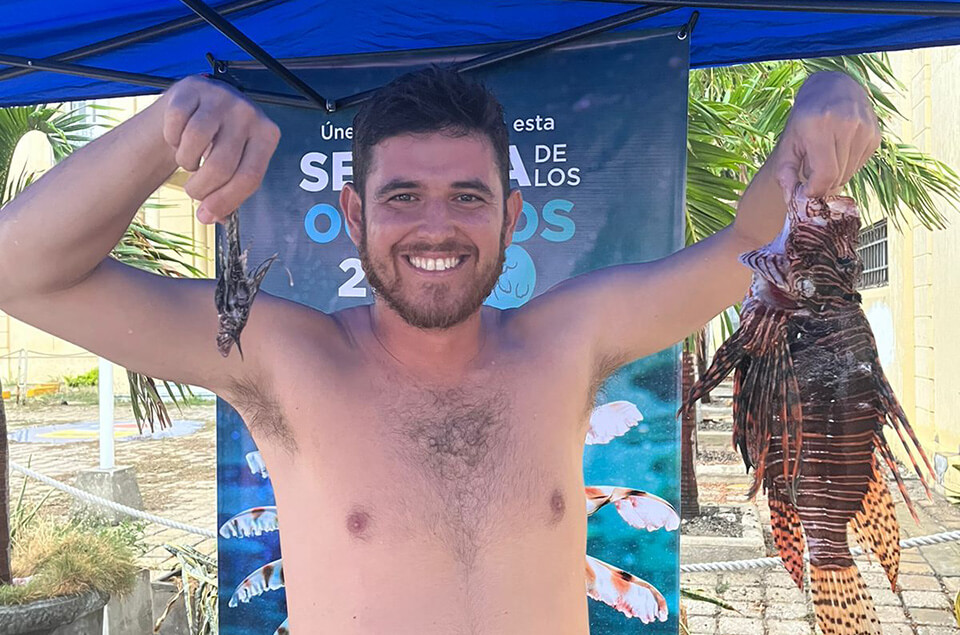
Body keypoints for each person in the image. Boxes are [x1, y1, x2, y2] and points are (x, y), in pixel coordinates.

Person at [0, 67, 879, 633]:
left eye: (467, 196)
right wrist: (166, 128)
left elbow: (755, 241)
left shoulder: (570, 340)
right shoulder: (276, 355)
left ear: (512, 216)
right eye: (403, 196)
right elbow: (19, 271)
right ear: (353, 216)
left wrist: (823, 102)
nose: (435, 226)